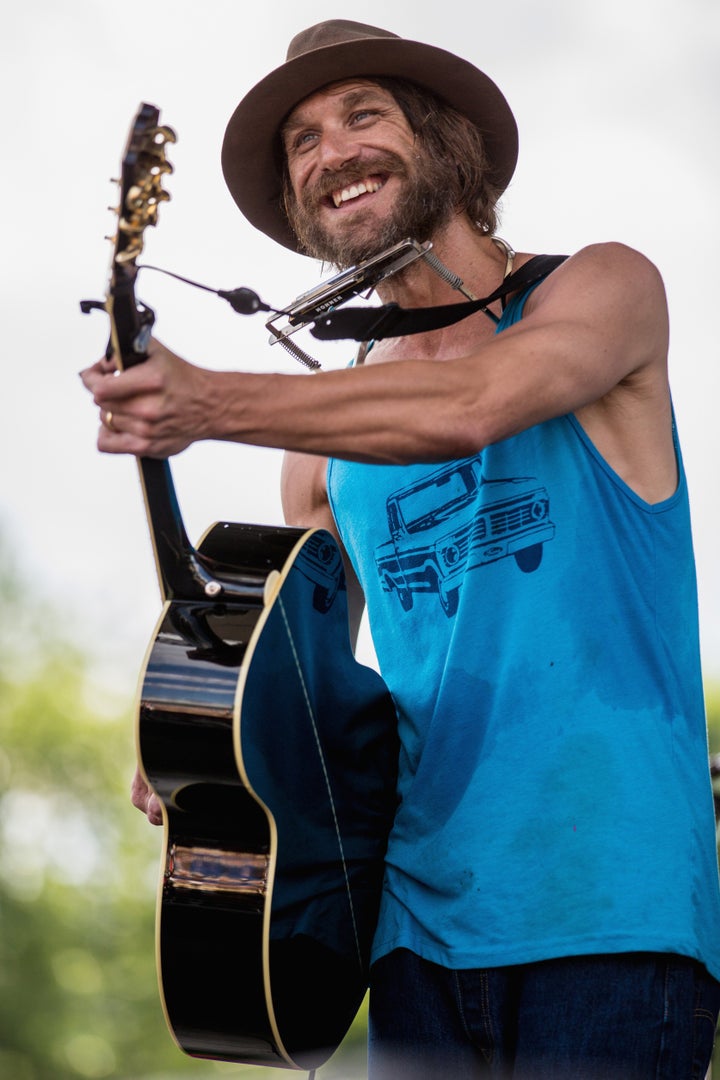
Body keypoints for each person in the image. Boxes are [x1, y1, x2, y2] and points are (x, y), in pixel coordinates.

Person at [81, 19, 720, 1079]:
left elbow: (474, 404)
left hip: (609, 903)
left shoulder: (604, 289)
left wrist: (212, 403)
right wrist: (198, 741)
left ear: (445, 142)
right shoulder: (322, 445)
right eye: (303, 142)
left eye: (362, 116)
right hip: (411, 934)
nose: (331, 152)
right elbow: (294, 680)